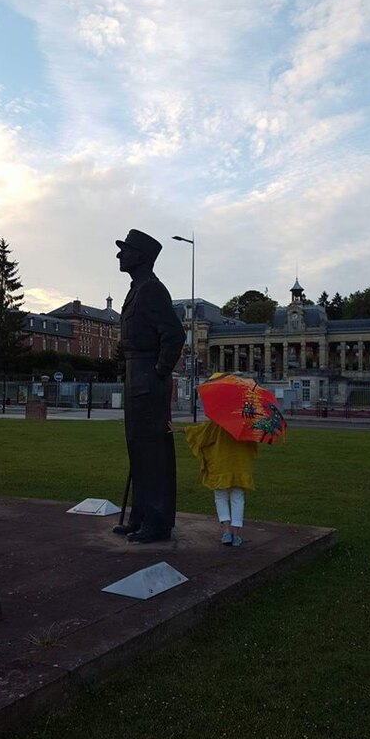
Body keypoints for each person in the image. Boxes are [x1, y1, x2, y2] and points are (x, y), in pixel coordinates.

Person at [113, 229, 185, 544]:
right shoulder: (137, 290)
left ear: (140, 256)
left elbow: (174, 334)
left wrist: (159, 371)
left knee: (153, 453)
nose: (119, 255)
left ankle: (157, 522)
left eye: (125, 250)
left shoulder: (152, 290)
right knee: (138, 451)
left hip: (146, 376)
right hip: (135, 373)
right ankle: (141, 516)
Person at [184, 416, 257, 547]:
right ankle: (236, 535)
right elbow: (253, 445)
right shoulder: (246, 424)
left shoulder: (218, 422)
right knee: (238, 498)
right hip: (240, 465)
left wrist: (181, 429)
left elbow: (201, 434)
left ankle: (227, 532)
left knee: (220, 497)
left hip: (220, 465)